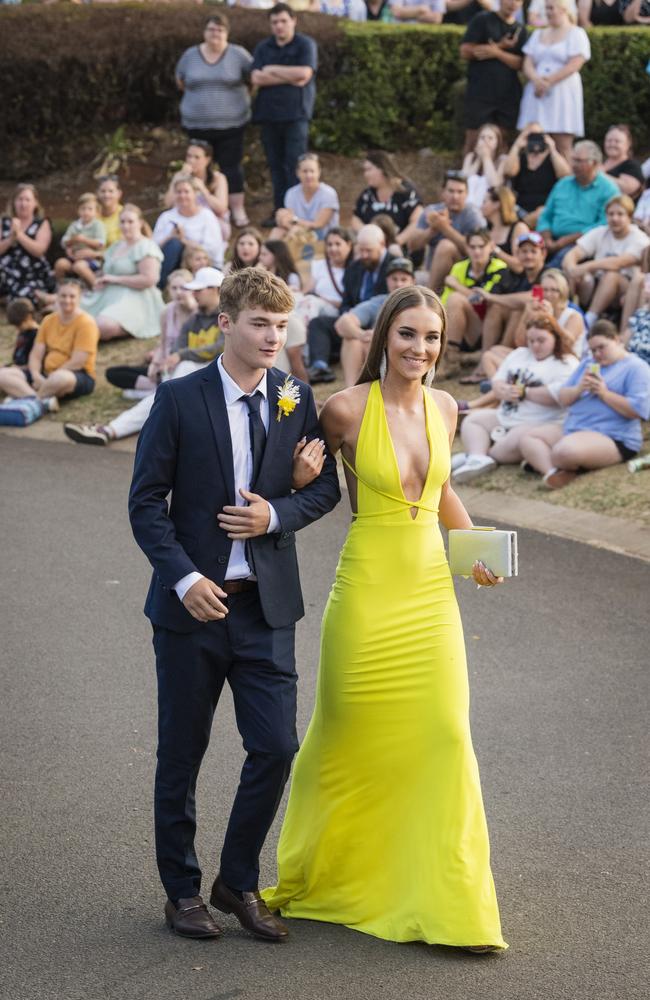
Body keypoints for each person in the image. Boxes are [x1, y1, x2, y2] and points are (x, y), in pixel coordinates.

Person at [262, 284, 507, 952]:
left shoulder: (447, 406)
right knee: (347, 734)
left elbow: (444, 490)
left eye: (432, 337)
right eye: (407, 335)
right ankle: (327, 873)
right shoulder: (342, 409)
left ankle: (449, 901)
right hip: (367, 591)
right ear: (383, 339)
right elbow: (294, 488)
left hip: (431, 591)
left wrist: (473, 549)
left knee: (445, 735)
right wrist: (295, 472)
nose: (420, 348)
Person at [128, 267, 341, 941]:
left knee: (277, 746)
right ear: (225, 323)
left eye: (282, 325)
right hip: (193, 608)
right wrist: (186, 579)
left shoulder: (294, 398)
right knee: (182, 753)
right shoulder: (181, 398)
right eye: (260, 323)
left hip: (266, 606)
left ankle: (237, 880)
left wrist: (275, 514)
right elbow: (145, 504)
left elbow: (325, 489)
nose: (273, 336)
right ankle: (182, 892)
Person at [64, 267, 224, 447]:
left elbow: (219, 347)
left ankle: (110, 429)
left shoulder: (226, 318)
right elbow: (176, 348)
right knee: (163, 394)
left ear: (216, 290)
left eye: (199, 289)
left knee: (169, 389)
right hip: (190, 379)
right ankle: (110, 429)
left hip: (212, 380)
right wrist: (171, 360)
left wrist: (180, 356)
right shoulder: (193, 320)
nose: (194, 293)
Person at [519, 319, 650, 488]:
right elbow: (563, 398)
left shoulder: (637, 367)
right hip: (574, 428)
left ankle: (548, 461)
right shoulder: (589, 363)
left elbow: (638, 411)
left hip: (613, 436)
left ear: (617, 340)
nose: (597, 354)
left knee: (564, 451)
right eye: (593, 350)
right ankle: (554, 472)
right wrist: (579, 388)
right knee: (528, 438)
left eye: (602, 347)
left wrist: (604, 393)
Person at [452, 313, 579, 481]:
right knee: (473, 420)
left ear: (555, 337)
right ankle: (477, 456)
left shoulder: (566, 363)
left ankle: (481, 455)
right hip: (505, 415)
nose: (535, 346)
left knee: (507, 447)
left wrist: (524, 392)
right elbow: (497, 381)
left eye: (541, 340)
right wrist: (502, 390)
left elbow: (559, 396)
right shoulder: (520, 354)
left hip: (537, 423)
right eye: (531, 340)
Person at [175, 13, 253, 227]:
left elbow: (253, 79)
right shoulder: (190, 55)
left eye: (220, 30)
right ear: (204, 32)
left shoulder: (239, 55)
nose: (215, 34)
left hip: (231, 125)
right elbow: (180, 81)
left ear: (227, 33)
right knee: (197, 169)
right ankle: (195, 209)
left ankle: (235, 209)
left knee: (231, 167)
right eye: (211, 29)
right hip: (197, 126)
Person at [251, 4, 318, 226]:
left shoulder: (305, 44)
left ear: (293, 20)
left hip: (296, 115)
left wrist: (272, 70)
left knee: (294, 166)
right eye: (274, 22)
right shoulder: (263, 47)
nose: (279, 26)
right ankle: (279, 212)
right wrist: (288, 75)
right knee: (276, 166)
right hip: (269, 116)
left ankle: (295, 214)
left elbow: (304, 74)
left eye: (283, 21)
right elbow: (257, 78)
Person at [307, 223, 396, 383]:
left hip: (379, 320)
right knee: (318, 324)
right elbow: (346, 301)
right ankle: (320, 365)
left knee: (354, 339)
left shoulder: (395, 268)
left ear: (382, 245)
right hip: (354, 318)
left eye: (368, 250)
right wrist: (350, 316)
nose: (364, 255)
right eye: (360, 250)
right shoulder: (355, 267)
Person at [460, 230, 546, 384]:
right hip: (517, 333)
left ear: (543, 254)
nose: (528, 256)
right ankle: (484, 361)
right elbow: (488, 299)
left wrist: (493, 297)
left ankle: (494, 361)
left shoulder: (549, 273)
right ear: (517, 254)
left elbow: (535, 297)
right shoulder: (512, 275)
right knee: (497, 307)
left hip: (541, 332)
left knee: (517, 307)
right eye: (524, 251)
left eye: (533, 251)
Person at [0, 279, 98, 403]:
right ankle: (41, 401)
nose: (67, 300)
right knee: (3, 375)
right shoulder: (48, 320)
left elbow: (78, 361)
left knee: (60, 379)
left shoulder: (86, 323)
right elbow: (36, 354)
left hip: (75, 374)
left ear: (79, 298)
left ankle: (30, 399)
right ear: (57, 297)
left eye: (72, 296)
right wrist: (36, 375)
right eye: (63, 296)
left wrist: (52, 377)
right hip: (45, 373)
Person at [103, 269, 196, 398]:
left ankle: (156, 391)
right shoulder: (167, 311)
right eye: (174, 288)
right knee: (114, 373)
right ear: (169, 290)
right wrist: (155, 364)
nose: (179, 292)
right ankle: (156, 389)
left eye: (183, 288)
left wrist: (192, 308)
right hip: (165, 366)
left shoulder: (198, 313)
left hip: (185, 364)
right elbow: (163, 343)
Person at [517, 0, 591, 160]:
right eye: (546, 9)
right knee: (532, 139)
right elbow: (527, 62)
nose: (548, 12)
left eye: (551, 8)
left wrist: (548, 81)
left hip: (562, 94)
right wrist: (536, 80)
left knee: (562, 144)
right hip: (536, 93)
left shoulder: (576, 33)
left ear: (563, 9)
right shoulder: (538, 34)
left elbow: (575, 63)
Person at [562, 194, 649, 327]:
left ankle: (589, 319)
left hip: (626, 290)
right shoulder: (600, 232)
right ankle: (568, 311)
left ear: (630, 217)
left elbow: (618, 262)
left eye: (620, 214)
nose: (614, 218)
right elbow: (573, 253)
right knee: (577, 274)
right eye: (611, 214)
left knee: (612, 274)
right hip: (596, 284)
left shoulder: (639, 238)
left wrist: (587, 266)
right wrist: (572, 268)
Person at [83, 204, 165, 341]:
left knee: (101, 325)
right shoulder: (116, 246)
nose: (126, 226)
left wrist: (115, 279)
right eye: (122, 222)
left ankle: (130, 325)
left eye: (130, 222)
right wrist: (100, 280)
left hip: (136, 298)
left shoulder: (146, 246)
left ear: (140, 223)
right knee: (73, 314)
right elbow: (107, 271)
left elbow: (150, 279)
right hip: (107, 296)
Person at [536, 140, 619, 268]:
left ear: (595, 164)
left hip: (583, 243)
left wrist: (567, 240)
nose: (574, 165)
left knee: (557, 263)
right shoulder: (563, 184)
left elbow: (603, 224)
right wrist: (546, 238)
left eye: (580, 161)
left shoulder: (608, 190)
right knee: (527, 251)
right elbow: (545, 215)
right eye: (573, 160)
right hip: (551, 240)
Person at [437, 229, 508, 378]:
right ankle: (451, 358)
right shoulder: (459, 267)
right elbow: (445, 303)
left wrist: (456, 285)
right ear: (467, 248)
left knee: (456, 297)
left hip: (489, 328)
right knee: (451, 301)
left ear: (491, 246)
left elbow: (484, 300)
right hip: (464, 328)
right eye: (473, 247)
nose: (477, 251)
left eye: (481, 246)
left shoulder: (500, 268)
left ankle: (453, 360)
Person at [335, 256, 416, 385]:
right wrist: (362, 334)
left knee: (374, 341)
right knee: (352, 340)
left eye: (403, 279)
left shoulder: (419, 305)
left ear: (412, 281)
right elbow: (342, 323)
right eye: (394, 279)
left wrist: (379, 337)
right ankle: (351, 391)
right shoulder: (379, 302)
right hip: (375, 353)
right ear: (387, 280)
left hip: (407, 354)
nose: (398, 284)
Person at [460, 0, 528, 152]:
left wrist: (497, 52)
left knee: (502, 141)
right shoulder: (482, 19)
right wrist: (500, 46)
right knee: (474, 139)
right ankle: (469, 174)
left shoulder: (521, 29)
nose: (512, 4)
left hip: (508, 94)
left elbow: (522, 63)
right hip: (480, 92)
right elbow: (465, 50)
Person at [408, 171, 485, 293]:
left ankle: (429, 297)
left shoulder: (472, 214)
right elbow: (412, 245)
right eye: (451, 191)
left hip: (464, 273)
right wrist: (432, 230)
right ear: (442, 192)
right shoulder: (432, 211)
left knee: (446, 246)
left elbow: (477, 249)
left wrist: (445, 228)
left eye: (460, 192)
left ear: (467, 194)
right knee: (404, 279)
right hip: (430, 271)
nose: (455, 196)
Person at [153, 177, 225, 288]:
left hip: (204, 263)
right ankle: (158, 287)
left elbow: (212, 250)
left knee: (178, 243)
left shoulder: (207, 216)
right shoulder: (166, 217)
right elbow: (153, 247)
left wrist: (184, 240)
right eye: (178, 192)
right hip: (175, 262)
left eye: (186, 191)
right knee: (173, 244)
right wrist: (170, 236)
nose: (182, 196)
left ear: (195, 194)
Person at [351, 150, 423, 253]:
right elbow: (355, 219)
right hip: (373, 250)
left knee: (394, 251)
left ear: (382, 168)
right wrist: (370, 237)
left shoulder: (406, 191)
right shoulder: (368, 194)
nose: (365, 174)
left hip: (402, 249)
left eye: (368, 170)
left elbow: (417, 221)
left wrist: (395, 242)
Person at [500, 123, 572, 225]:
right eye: (531, 135)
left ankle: (523, 226)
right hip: (520, 208)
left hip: (546, 208)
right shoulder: (520, 158)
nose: (535, 139)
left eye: (539, 135)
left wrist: (552, 149)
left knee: (541, 213)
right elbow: (509, 172)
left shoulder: (552, 159)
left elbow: (565, 176)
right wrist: (517, 146)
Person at [163, 140, 231, 241]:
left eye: (196, 157)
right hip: (184, 220)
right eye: (189, 156)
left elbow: (221, 208)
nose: (191, 161)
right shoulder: (180, 176)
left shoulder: (218, 178)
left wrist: (203, 189)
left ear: (207, 160)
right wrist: (177, 180)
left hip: (212, 223)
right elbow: (167, 203)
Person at [0, 183, 54, 305]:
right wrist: (10, 238)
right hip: (6, 271)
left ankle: (35, 298)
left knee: (26, 293)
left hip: (31, 273)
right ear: (14, 202)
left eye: (27, 200)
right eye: (20, 199)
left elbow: (39, 250)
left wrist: (19, 235)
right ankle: (10, 299)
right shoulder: (4, 222)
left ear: (35, 203)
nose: (23, 204)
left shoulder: (42, 223)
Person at [271, 152, 340, 241]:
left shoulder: (328, 193)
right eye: (305, 171)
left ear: (319, 172)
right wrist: (282, 219)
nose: (308, 175)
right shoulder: (291, 193)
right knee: (277, 231)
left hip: (324, 237)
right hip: (299, 232)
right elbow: (288, 221)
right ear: (297, 173)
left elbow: (318, 224)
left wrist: (294, 220)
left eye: (312, 171)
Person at [54, 193, 107, 289]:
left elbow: (101, 244)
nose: (86, 212)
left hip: (92, 259)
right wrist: (72, 240)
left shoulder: (98, 225)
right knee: (60, 264)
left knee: (79, 267)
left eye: (90, 209)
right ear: (78, 211)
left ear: (97, 212)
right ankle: (60, 289)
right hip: (74, 258)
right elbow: (64, 242)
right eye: (83, 209)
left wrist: (85, 240)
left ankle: (97, 288)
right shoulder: (74, 225)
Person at [480, 185, 529, 271]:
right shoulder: (486, 229)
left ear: (497, 204)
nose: (481, 206)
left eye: (484, 202)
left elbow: (520, 266)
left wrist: (496, 251)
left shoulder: (518, 228)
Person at [462, 124, 507, 209]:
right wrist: (479, 159)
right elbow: (464, 180)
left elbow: (495, 184)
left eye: (490, 138)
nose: (486, 141)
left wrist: (486, 158)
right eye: (482, 137)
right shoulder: (470, 157)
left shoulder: (502, 160)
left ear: (497, 142)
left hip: (488, 204)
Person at [601, 125, 645, 201]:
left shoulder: (632, 165)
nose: (612, 144)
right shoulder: (600, 164)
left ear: (628, 144)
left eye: (617, 141)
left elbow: (625, 189)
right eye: (609, 141)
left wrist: (598, 175)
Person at [4, 297, 40, 370]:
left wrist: (16, 368)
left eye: (19, 325)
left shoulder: (38, 335)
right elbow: (16, 359)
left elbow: (36, 363)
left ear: (29, 317)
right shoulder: (23, 333)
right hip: (16, 368)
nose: (17, 328)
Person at [96, 175, 124, 248]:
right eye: (103, 191)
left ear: (119, 193)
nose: (106, 195)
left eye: (111, 191)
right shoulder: (91, 213)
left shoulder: (126, 214)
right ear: (97, 193)